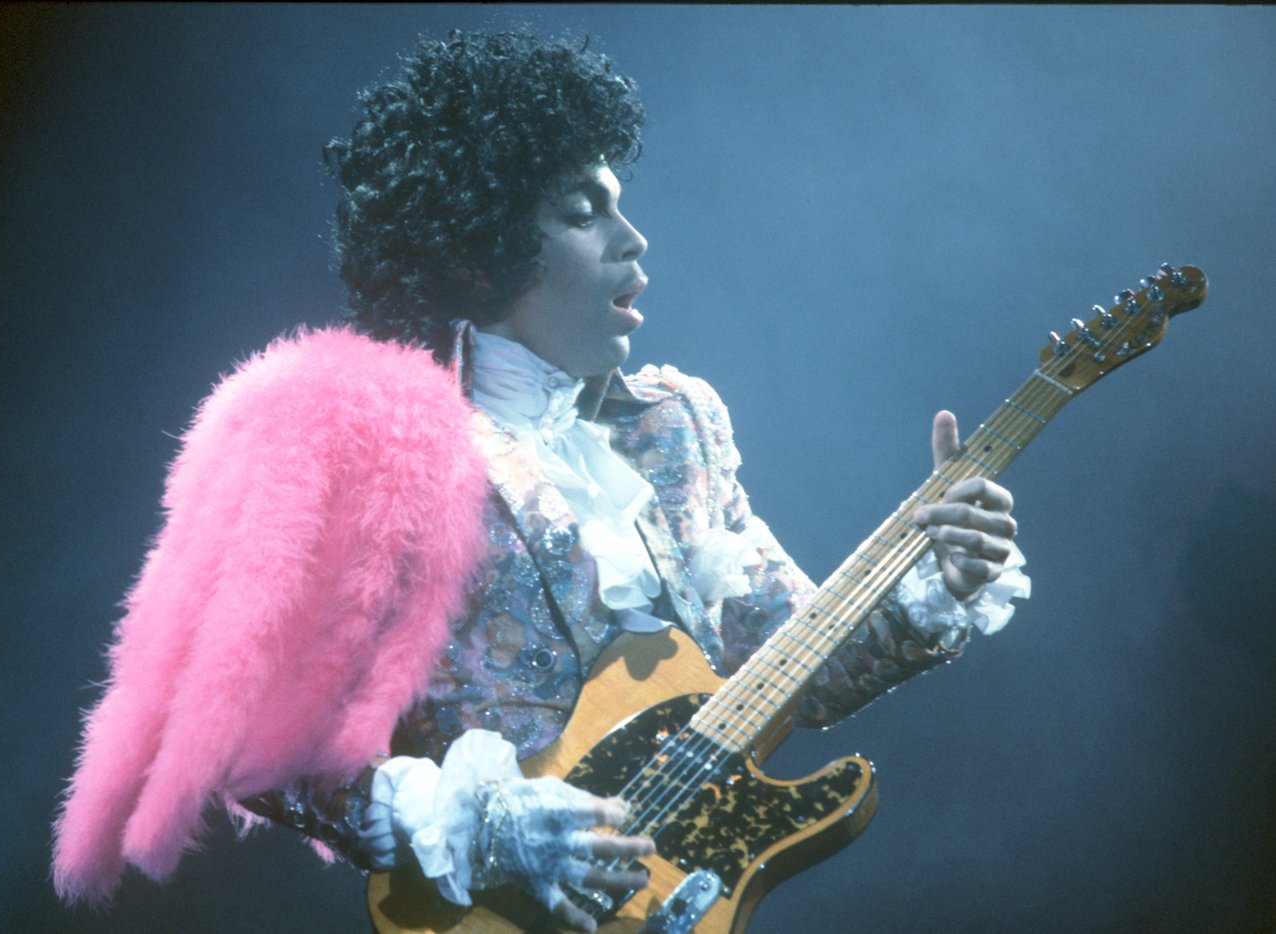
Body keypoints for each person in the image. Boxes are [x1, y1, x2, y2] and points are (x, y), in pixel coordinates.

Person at [52, 30, 1028, 933]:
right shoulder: (382, 450)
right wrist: (490, 828)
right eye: (583, 212)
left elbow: (788, 662)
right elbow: (268, 751)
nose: (633, 239)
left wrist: (933, 579)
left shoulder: (675, 428)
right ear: (482, 254)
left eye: (621, 203)